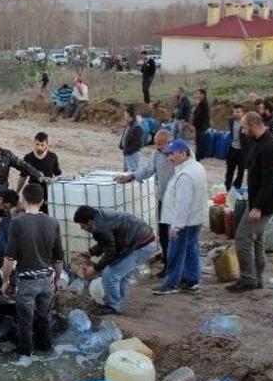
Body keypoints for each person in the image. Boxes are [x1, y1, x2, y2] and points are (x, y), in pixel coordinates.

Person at [1, 184, 64, 355]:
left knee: (25, 322)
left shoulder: (17, 222)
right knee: (44, 318)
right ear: (43, 201)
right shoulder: (53, 222)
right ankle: (47, 351)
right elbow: (58, 258)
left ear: (23, 200)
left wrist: (5, 281)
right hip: (47, 280)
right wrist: (56, 280)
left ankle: (26, 358)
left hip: (27, 282)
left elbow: (9, 258)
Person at [227, 112, 273, 293]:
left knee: (243, 237)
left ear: (253, 125)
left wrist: (258, 207)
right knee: (257, 239)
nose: (242, 132)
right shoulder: (258, 142)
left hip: (264, 203)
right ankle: (257, 278)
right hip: (257, 199)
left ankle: (248, 278)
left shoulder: (269, 147)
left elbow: (270, 180)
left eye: (244, 127)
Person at [75, 205, 160, 315]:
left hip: (141, 245)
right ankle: (117, 303)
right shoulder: (99, 216)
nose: (82, 229)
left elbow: (111, 252)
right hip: (143, 241)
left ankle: (113, 305)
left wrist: (96, 268)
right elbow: (107, 241)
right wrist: (91, 252)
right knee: (122, 275)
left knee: (110, 275)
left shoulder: (99, 227)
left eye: (83, 226)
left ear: (90, 221)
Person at [151, 140, 208, 295]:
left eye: (173, 154)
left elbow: (182, 204)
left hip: (184, 222)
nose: (170, 158)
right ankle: (191, 280)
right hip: (195, 219)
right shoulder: (196, 167)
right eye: (168, 154)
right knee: (190, 250)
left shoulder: (185, 175)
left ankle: (171, 284)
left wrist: (176, 227)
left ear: (184, 153)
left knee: (175, 253)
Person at [116, 130, 174, 277]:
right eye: (155, 142)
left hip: (176, 201)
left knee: (175, 233)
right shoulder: (156, 155)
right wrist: (132, 176)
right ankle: (167, 263)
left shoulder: (178, 155)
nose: (157, 146)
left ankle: (175, 266)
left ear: (169, 142)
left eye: (161, 143)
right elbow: (147, 171)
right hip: (162, 199)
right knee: (163, 233)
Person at [16, 132, 62, 213]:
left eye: (42, 145)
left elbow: (58, 175)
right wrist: (17, 191)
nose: (39, 147)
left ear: (47, 145)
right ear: (34, 143)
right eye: (37, 144)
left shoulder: (53, 157)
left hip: (48, 192)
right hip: (32, 192)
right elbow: (23, 176)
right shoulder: (28, 157)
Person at [225, 104, 248, 192]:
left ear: (243, 113)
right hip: (232, 148)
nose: (235, 113)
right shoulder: (231, 121)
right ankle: (227, 187)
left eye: (238, 112)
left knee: (241, 171)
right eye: (234, 112)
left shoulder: (246, 123)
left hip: (242, 150)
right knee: (230, 169)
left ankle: (236, 187)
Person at [119, 105, 144, 172]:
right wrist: (122, 146)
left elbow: (139, 143)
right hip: (127, 154)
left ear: (128, 114)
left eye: (125, 113)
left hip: (132, 155)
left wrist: (128, 151)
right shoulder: (129, 125)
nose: (124, 115)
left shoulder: (136, 127)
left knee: (134, 173)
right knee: (126, 174)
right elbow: (124, 136)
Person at [192, 88, 210, 161]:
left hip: (201, 126)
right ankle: (200, 155)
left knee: (199, 142)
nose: (197, 95)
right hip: (199, 126)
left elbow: (201, 116)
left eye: (199, 94)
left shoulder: (203, 103)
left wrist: (196, 124)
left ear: (203, 95)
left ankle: (198, 157)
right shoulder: (201, 103)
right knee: (199, 141)